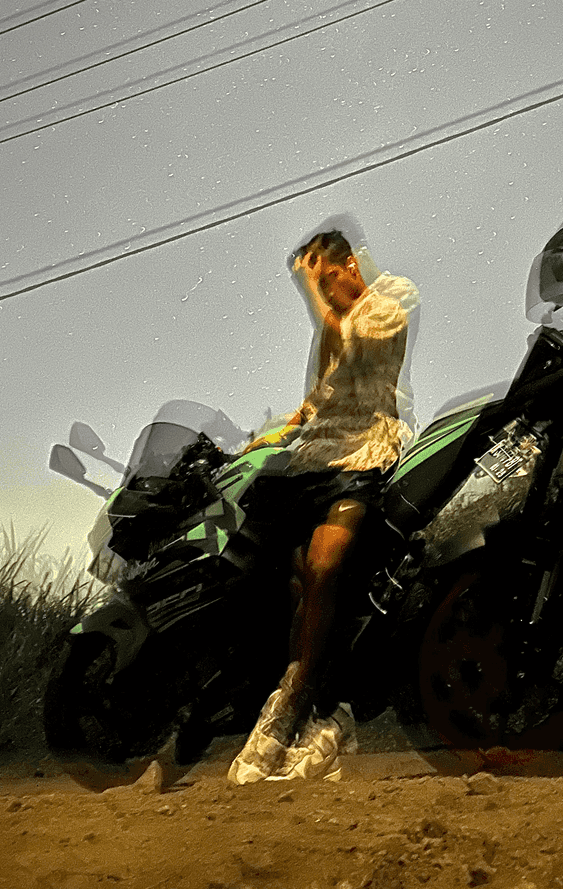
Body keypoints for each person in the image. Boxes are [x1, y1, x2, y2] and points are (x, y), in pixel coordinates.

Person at [228, 228, 419, 786]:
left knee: (324, 565)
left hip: (363, 454)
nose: (321, 287)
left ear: (350, 266)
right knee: (289, 580)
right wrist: (270, 437)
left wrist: (313, 292)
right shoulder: (337, 320)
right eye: (316, 278)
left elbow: (343, 341)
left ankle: (286, 706)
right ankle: (323, 719)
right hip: (316, 458)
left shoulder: (387, 304)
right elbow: (321, 395)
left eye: (325, 274)